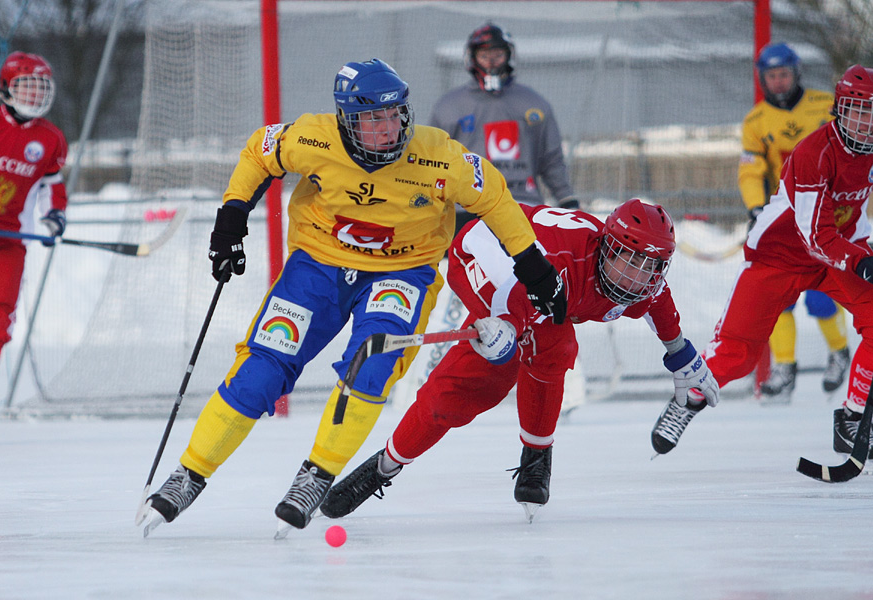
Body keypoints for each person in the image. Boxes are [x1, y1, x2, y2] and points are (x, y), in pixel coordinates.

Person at [137, 58, 568, 535]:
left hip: (401, 272)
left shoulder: (438, 156)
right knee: (263, 364)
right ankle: (189, 474)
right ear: (346, 120)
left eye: (395, 116)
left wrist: (533, 266)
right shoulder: (311, 138)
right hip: (318, 264)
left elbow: (497, 200)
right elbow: (259, 152)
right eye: (373, 120)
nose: (388, 129)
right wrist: (232, 216)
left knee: (371, 362)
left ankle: (317, 475)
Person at [318, 199, 720, 522]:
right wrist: (505, 325)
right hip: (487, 257)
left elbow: (658, 304)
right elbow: (514, 290)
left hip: (535, 292)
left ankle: (536, 461)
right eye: (630, 260)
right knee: (455, 394)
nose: (637, 277)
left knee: (555, 345)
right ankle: (382, 468)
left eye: (651, 266)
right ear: (607, 245)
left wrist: (681, 355)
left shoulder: (641, 285)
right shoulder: (565, 261)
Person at [651, 64, 873, 457]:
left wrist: (861, 252)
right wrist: (861, 261)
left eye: (870, 111)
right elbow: (814, 234)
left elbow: (848, 219)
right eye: (855, 110)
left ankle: (853, 417)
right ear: (839, 109)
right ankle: (689, 399)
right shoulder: (813, 152)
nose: (862, 121)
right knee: (738, 353)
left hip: (833, 255)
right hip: (780, 256)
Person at [739, 42, 850, 402]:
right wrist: (757, 209)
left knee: (821, 293)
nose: (779, 81)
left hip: (826, 215)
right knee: (778, 295)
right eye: (771, 76)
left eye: (784, 73)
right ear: (763, 79)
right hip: (785, 219)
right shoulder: (756, 122)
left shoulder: (823, 107)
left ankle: (839, 352)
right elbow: (751, 171)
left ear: (796, 71)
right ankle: (784, 368)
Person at [0, 51, 68, 440]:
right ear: (5, 89)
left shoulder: (50, 139)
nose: (33, 93)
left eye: (40, 86)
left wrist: (56, 215)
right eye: (26, 85)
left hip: (5, 242)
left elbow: (53, 186)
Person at [431, 22, 577, 236]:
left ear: (509, 56)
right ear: (471, 58)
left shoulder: (534, 103)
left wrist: (567, 199)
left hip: (524, 205)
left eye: (497, 54)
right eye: (484, 55)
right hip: (468, 208)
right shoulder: (448, 106)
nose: (491, 62)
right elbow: (435, 162)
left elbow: (551, 158)